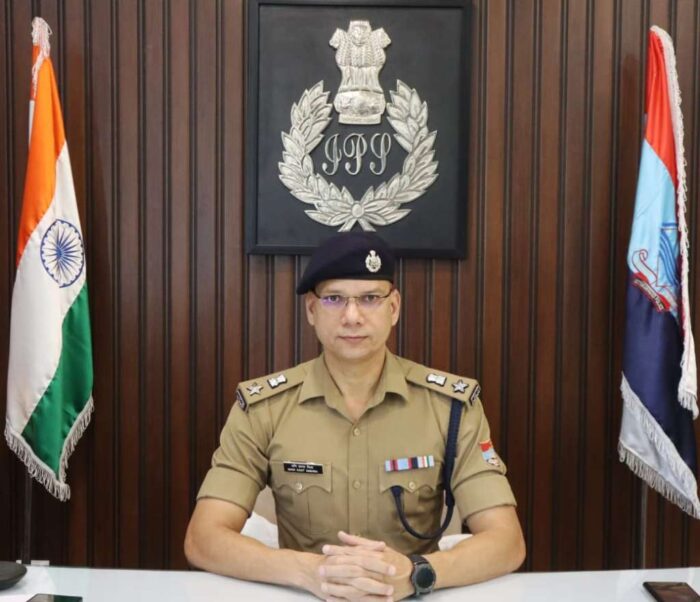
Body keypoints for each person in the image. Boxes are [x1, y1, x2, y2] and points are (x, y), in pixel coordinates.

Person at [184, 232, 525, 600]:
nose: (352, 317)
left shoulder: (450, 407)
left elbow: (507, 541)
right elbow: (203, 538)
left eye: (369, 298)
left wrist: (416, 573)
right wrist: (308, 571)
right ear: (311, 310)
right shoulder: (264, 408)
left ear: (394, 308)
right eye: (334, 299)